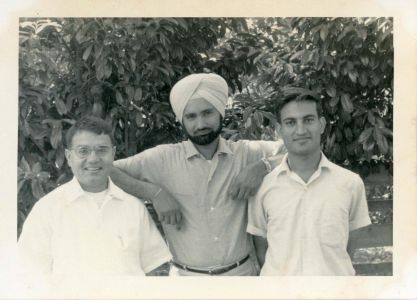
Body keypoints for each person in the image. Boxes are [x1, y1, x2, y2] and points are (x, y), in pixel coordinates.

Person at [111, 73, 286, 276]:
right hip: (186, 280)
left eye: (207, 113)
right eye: (191, 117)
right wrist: (155, 193)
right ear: (182, 120)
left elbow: (295, 151)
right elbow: (106, 171)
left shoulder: (246, 153)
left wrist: (261, 167)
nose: (201, 124)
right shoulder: (162, 159)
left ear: (220, 112)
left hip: (241, 277)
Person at [18, 116, 172, 285]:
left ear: (113, 154)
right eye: (83, 151)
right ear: (69, 157)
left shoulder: (134, 208)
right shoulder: (47, 209)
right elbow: (29, 277)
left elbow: (154, 268)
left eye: (101, 150)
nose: (93, 159)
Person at [247, 95, 371, 275]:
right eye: (290, 122)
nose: (300, 130)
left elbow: (350, 244)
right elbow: (261, 246)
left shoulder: (350, 183)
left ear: (321, 124)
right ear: (280, 130)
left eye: (308, 120)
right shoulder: (263, 187)